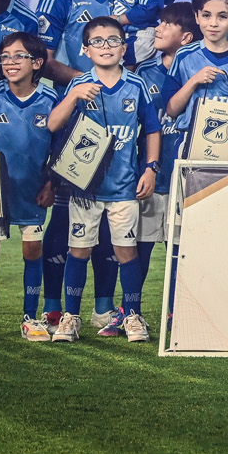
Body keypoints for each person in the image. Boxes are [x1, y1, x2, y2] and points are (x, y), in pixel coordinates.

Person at [47, 17, 160, 344]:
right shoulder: (79, 85)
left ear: (124, 48)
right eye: (97, 41)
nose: (106, 46)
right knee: (78, 251)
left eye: (113, 40)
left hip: (124, 187)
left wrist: (150, 168)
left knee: (127, 252)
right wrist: (73, 96)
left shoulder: (136, 85)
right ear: (86, 49)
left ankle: (132, 315)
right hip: (85, 189)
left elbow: (152, 129)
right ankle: (70, 317)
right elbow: (53, 125)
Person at [37, 0, 127, 328]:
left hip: (118, 122)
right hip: (73, 122)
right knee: (65, 217)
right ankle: (54, 307)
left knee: (108, 218)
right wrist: (90, 81)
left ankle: (103, 308)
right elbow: (44, 61)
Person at [0, 33, 57, 344]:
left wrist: (51, 183)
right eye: (5, 57)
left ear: (37, 63)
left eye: (18, 56)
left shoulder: (49, 99)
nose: (10, 62)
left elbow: (60, 147)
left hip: (33, 191)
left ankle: (30, 318)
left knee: (33, 250)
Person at [130, 2, 196, 311]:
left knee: (179, 250)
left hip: (184, 177)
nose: (159, 28)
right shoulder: (144, 73)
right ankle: (130, 310)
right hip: (150, 177)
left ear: (186, 37)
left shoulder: (198, 72)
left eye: (168, 24)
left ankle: (174, 312)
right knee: (138, 248)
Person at [163, 0, 228, 150]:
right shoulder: (184, 56)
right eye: (206, 15)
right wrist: (194, 81)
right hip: (189, 144)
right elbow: (171, 110)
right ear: (197, 17)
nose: (213, 23)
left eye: (222, 16)